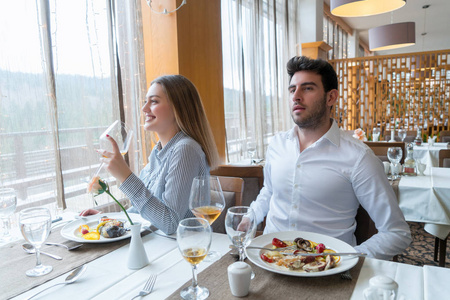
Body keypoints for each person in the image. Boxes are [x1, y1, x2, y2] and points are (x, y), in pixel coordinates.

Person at [249, 56, 411, 260]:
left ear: (331, 97)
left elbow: (397, 233)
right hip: (269, 261)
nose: (296, 96)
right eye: (292, 89)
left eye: (307, 88)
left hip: (326, 273)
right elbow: (270, 191)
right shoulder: (276, 145)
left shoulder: (358, 157)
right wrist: (249, 218)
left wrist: (345, 260)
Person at [82, 75, 220, 234]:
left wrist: (126, 176)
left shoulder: (186, 149)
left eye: (154, 101)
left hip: (183, 251)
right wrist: (109, 220)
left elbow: (170, 223)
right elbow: (147, 213)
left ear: (178, 108)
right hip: (159, 245)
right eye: (145, 101)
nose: (144, 108)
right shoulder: (159, 151)